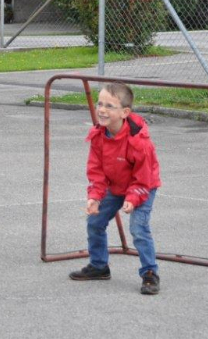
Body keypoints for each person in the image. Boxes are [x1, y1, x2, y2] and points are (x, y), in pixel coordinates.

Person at [69, 82, 162, 295]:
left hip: (143, 187)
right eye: (100, 104)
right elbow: (96, 170)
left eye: (109, 106)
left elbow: (143, 178)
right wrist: (95, 196)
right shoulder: (98, 135)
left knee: (138, 228)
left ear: (124, 113)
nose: (102, 110)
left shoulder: (139, 142)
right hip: (116, 185)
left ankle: (150, 273)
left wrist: (132, 198)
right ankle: (99, 266)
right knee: (94, 221)